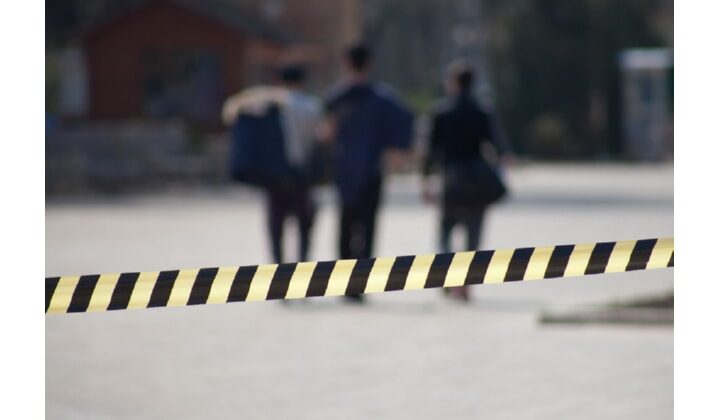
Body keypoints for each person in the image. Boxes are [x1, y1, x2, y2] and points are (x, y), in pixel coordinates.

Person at [324, 44, 414, 303]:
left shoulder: (337, 97)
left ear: (346, 63)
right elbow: (405, 123)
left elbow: (327, 133)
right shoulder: (384, 98)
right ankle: (361, 282)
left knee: (345, 225)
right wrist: (395, 155)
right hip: (373, 169)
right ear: (370, 63)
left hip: (344, 170)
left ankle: (344, 281)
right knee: (368, 226)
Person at [422, 60, 512, 302]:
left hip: (451, 179)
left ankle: (447, 275)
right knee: (473, 235)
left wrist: (426, 180)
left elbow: (430, 152)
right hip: (477, 180)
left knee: (445, 231)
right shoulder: (482, 110)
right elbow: (498, 143)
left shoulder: (441, 112)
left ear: (453, 83)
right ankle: (466, 283)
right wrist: (504, 160)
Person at [224, 65, 322, 264]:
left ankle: (278, 269)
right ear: (303, 82)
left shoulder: (269, 105)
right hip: (302, 175)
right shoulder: (312, 107)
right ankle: (303, 266)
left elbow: (232, 110)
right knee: (304, 225)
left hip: (275, 175)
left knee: (276, 226)